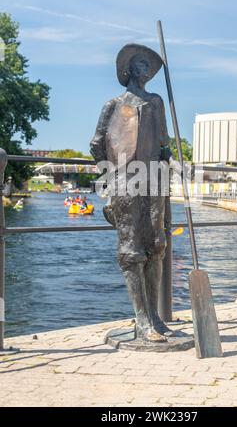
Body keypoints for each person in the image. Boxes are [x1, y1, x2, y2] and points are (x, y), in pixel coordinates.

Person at [90, 44, 173, 343]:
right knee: (131, 249)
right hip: (125, 181)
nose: (146, 69)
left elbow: (164, 143)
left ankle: (156, 316)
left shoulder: (156, 103)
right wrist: (111, 177)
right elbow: (97, 144)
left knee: (158, 244)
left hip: (155, 181)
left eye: (149, 65)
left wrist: (168, 158)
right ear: (128, 70)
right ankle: (141, 320)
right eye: (140, 63)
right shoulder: (113, 105)